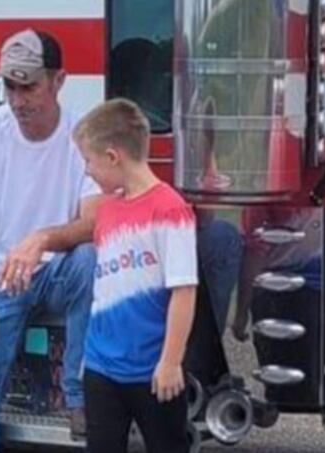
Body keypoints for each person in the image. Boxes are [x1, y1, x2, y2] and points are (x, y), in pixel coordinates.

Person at [0, 28, 100, 452]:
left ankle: (77, 395)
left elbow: (95, 222)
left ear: (59, 80)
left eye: (28, 86)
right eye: (9, 85)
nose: (16, 99)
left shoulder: (83, 137)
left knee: (91, 256)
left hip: (57, 273)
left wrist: (42, 238)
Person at [73, 98, 198, 453]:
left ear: (113, 157)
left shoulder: (170, 209)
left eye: (89, 161)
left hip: (153, 370)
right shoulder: (107, 209)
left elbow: (184, 291)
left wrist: (172, 361)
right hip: (101, 367)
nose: (87, 171)